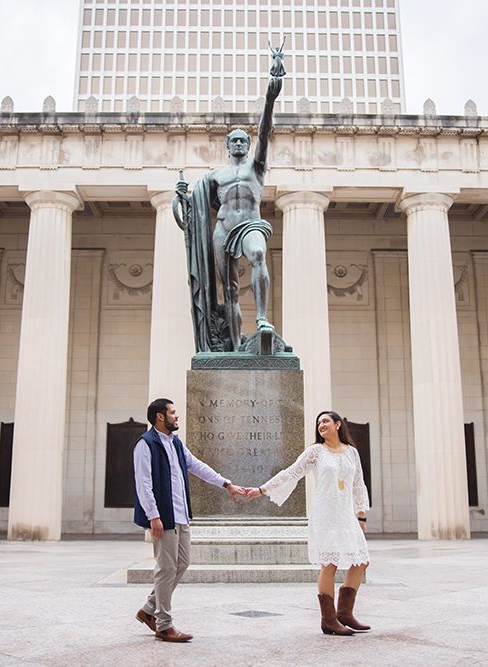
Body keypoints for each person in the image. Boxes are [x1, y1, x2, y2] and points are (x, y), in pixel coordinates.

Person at [172, 49, 285, 352]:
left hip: (249, 225)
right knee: (229, 292)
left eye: (242, 141)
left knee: (258, 255)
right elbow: (196, 209)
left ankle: (262, 319)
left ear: (249, 147)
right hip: (223, 228)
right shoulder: (215, 176)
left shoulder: (255, 168)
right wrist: (182, 196)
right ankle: (235, 345)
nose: (238, 144)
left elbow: (264, 131)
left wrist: (271, 96)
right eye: (233, 140)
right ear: (226, 146)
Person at [133, 398, 248, 642]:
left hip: (181, 515)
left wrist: (226, 484)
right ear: (160, 417)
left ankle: (147, 609)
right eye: (173, 412)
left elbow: (197, 466)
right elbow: (143, 483)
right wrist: (153, 516)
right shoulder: (146, 444)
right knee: (166, 569)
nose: (177, 416)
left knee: (182, 563)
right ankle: (164, 624)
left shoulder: (175, 443)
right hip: (163, 517)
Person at [246, 411, 371, 636]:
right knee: (329, 564)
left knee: (361, 562)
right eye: (319, 422)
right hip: (325, 515)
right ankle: (329, 619)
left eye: (325, 421)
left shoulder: (352, 452)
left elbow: (358, 484)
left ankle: (344, 613)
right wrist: (262, 489)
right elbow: (291, 473)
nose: (321, 425)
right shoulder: (315, 452)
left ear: (338, 425)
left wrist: (361, 515)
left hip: (345, 515)